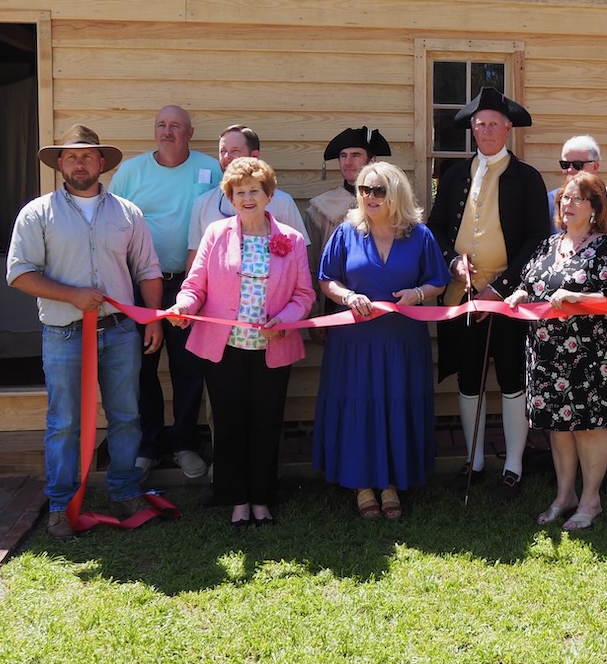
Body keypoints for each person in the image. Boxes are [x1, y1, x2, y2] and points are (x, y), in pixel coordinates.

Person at [7, 125, 164, 539]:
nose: (80, 162)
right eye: (72, 156)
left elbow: (147, 269)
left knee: (127, 416)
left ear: (101, 164)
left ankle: (126, 492)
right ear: (60, 163)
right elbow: (19, 273)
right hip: (63, 334)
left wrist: (152, 320)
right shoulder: (38, 213)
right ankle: (61, 504)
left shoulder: (127, 213)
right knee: (65, 422)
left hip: (119, 333)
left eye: (88, 156)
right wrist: (72, 295)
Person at [167, 157, 315, 528]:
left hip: (272, 347)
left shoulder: (291, 240)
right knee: (229, 425)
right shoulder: (215, 234)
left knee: (266, 423)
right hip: (224, 349)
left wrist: (287, 319)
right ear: (230, 198)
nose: (247, 198)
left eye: (254, 191)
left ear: (269, 195)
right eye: (239, 192)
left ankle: (262, 499)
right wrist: (183, 305)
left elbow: (304, 294)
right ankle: (236, 500)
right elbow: (194, 284)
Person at [427, 87, 551, 503]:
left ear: (508, 128)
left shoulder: (528, 178)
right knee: (468, 376)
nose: (486, 131)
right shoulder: (454, 176)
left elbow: (538, 237)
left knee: (512, 375)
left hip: (510, 298)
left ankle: (513, 465)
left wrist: (502, 287)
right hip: (460, 296)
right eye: (480, 125)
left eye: (494, 124)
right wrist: (453, 263)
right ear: (472, 130)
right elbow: (436, 229)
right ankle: (474, 460)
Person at [313, 162, 449, 520]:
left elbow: (438, 279)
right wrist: (347, 297)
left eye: (378, 191)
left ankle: (390, 483)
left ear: (396, 194)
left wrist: (418, 294)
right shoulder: (346, 233)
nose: (369, 197)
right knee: (360, 402)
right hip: (355, 341)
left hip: (402, 341)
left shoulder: (420, 235)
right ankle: (362, 485)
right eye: (363, 190)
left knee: (395, 403)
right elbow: (327, 279)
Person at [509, 172, 607, 531]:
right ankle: (564, 495)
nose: (567, 204)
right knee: (558, 427)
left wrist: (581, 298)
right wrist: (519, 294)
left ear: (594, 208)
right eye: (564, 198)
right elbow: (529, 282)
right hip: (546, 356)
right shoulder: (548, 246)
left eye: (577, 199)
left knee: (589, 427)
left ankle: (590, 500)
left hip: (590, 356)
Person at [108, 105, 220, 479]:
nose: (167, 131)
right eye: (161, 125)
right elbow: (112, 221)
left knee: (190, 368)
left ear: (190, 131)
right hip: (139, 284)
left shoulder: (210, 169)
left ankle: (185, 443)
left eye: (175, 126)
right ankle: (150, 444)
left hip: (192, 283)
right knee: (143, 367)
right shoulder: (131, 171)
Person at [547, 135, 607, 495]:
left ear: (596, 167)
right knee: (564, 399)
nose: (569, 171)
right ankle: (567, 480)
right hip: (558, 321)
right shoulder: (552, 200)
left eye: (577, 164)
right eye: (564, 165)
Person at [187, 124, 309, 267]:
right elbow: (194, 259)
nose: (227, 157)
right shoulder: (202, 203)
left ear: (254, 156)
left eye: (235, 151)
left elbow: (300, 258)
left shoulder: (282, 202)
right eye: (223, 151)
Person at [306, 126, 391, 258]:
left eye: (356, 155)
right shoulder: (320, 207)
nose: (348, 162)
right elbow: (310, 261)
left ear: (372, 160)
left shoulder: (391, 202)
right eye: (343, 156)